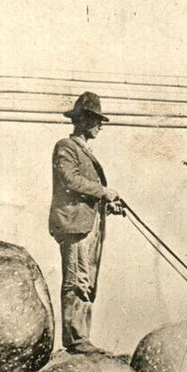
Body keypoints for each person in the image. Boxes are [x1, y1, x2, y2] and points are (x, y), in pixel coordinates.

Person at [49, 91, 123, 354]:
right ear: (81, 120)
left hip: (88, 224)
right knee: (77, 279)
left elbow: (83, 188)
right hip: (74, 225)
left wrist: (107, 203)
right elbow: (70, 180)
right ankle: (76, 339)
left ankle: (82, 336)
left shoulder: (83, 151)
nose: (100, 125)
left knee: (87, 280)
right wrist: (103, 191)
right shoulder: (66, 147)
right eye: (95, 120)